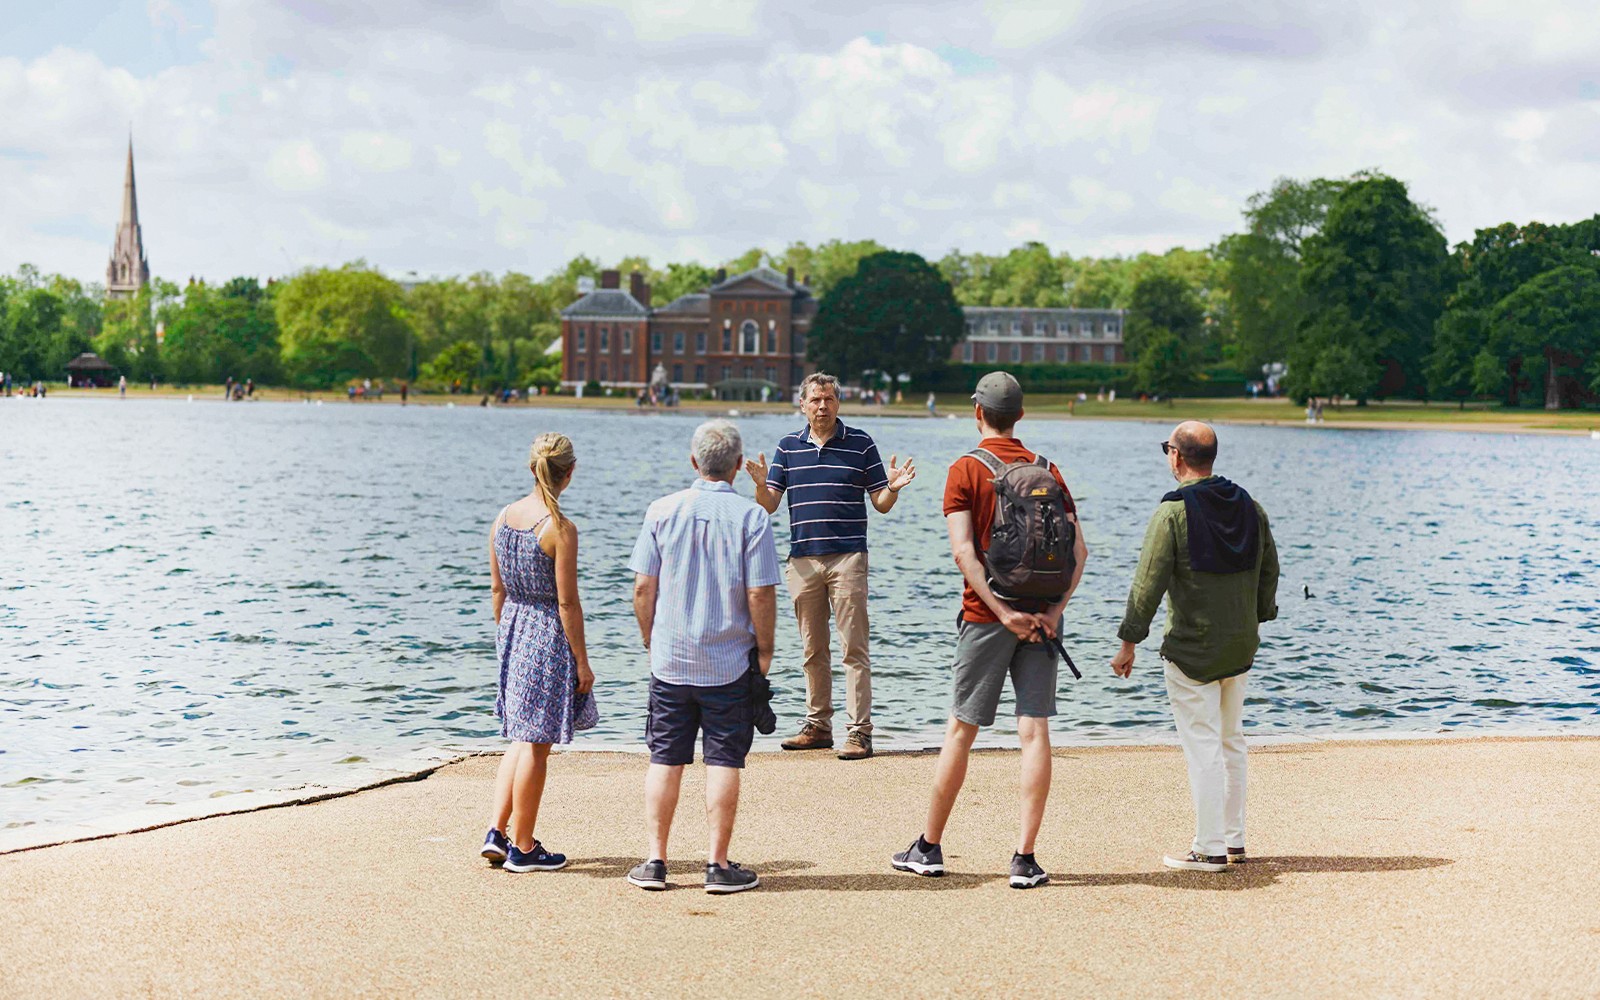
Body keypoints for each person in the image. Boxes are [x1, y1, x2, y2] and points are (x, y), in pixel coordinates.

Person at [892, 372, 1088, 889]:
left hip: (986, 616)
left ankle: (929, 847)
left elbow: (963, 553)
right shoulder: (1049, 470)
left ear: (977, 412)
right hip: (1044, 617)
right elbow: (1080, 552)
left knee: (962, 728)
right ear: (1021, 415)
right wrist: (1051, 613)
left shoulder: (965, 470)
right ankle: (1025, 859)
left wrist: (1002, 613)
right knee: (1035, 730)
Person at [1111, 421, 1279, 872]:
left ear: (1177, 457)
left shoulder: (1172, 513)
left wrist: (1128, 641)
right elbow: (1270, 569)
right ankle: (1235, 839)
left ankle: (1209, 848)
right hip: (1241, 644)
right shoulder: (1250, 506)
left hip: (1192, 648)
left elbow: (1148, 584)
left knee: (1203, 745)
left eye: (1167, 448)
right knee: (1231, 740)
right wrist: (1258, 615)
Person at [628, 419, 780, 894]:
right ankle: (716, 865)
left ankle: (655, 861)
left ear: (694, 462)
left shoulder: (661, 510)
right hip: (729, 660)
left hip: (670, 659)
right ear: (738, 466)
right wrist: (766, 647)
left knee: (665, 758)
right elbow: (760, 593)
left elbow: (642, 586)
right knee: (723, 761)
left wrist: (649, 635)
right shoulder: (753, 518)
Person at [745, 372, 916, 761]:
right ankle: (818, 726)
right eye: (815, 400)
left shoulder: (860, 444)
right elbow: (769, 504)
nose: (822, 406)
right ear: (802, 405)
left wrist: (893, 488)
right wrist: (758, 484)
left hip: (848, 558)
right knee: (812, 649)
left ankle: (859, 732)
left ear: (838, 403)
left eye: (829, 399)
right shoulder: (787, 447)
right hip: (802, 561)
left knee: (853, 648)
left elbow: (881, 504)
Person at [480, 433, 597, 873]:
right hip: (547, 632)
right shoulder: (559, 529)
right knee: (536, 744)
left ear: (533, 469)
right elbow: (567, 603)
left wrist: (504, 635)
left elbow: (497, 589)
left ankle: (497, 830)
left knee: (520, 736)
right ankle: (523, 847)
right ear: (570, 473)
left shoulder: (503, 517)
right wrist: (582, 662)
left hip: (512, 626)